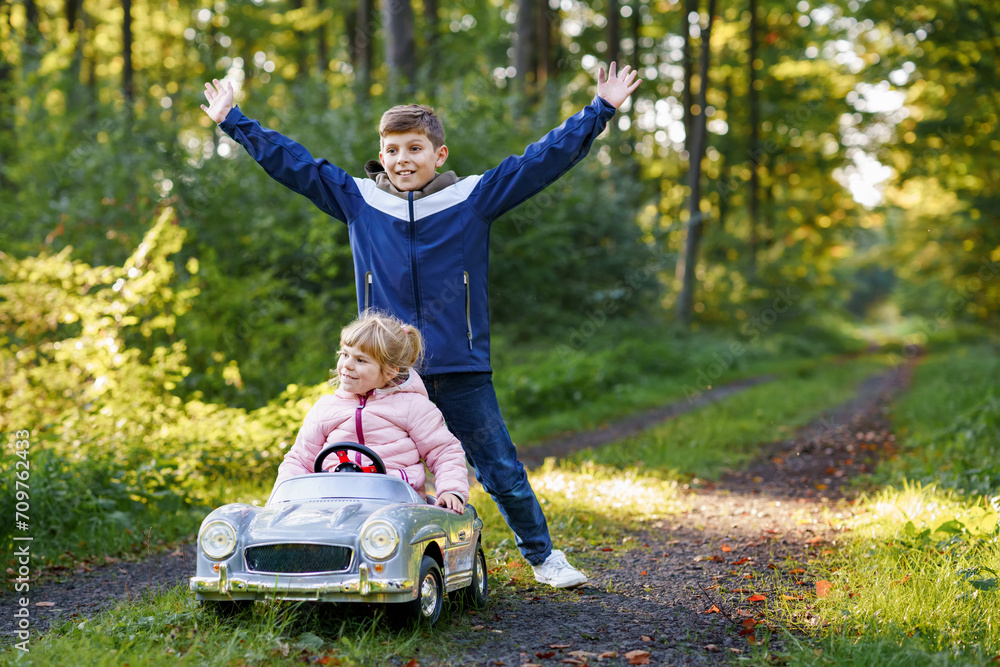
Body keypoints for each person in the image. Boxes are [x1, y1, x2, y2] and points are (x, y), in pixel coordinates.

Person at [201, 62, 641, 588]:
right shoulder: (359, 201)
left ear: (439, 154)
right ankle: (344, 565)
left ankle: (544, 558)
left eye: (414, 148)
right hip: (382, 371)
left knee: (500, 469)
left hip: (459, 364)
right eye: (392, 149)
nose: (402, 159)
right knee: (358, 471)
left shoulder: (473, 198)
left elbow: (540, 161)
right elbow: (293, 164)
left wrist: (600, 111)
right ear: (380, 154)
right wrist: (232, 119)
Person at [273, 312, 469, 513]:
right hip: (331, 502)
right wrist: (283, 499)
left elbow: (443, 452)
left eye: (361, 360)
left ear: (390, 371)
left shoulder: (413, 407)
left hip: (396, 505)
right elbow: (299, 459)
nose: (347, 365)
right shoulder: (326, 408)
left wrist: (451, 490)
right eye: (345, 354)